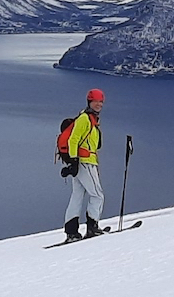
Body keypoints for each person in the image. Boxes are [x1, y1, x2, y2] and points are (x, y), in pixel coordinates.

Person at [63, 88, 106, 242]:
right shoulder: (85, 119)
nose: (99, 104)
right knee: (97, 195)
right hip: (85, 162)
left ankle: (71, 232)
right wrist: (74, 160)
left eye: (101, 101)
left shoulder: (91, 119)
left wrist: (74, 162)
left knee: (77, 196)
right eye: (96, 101)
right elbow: (73, 139)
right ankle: (92, 227)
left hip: (82, 162)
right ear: (89, 102)